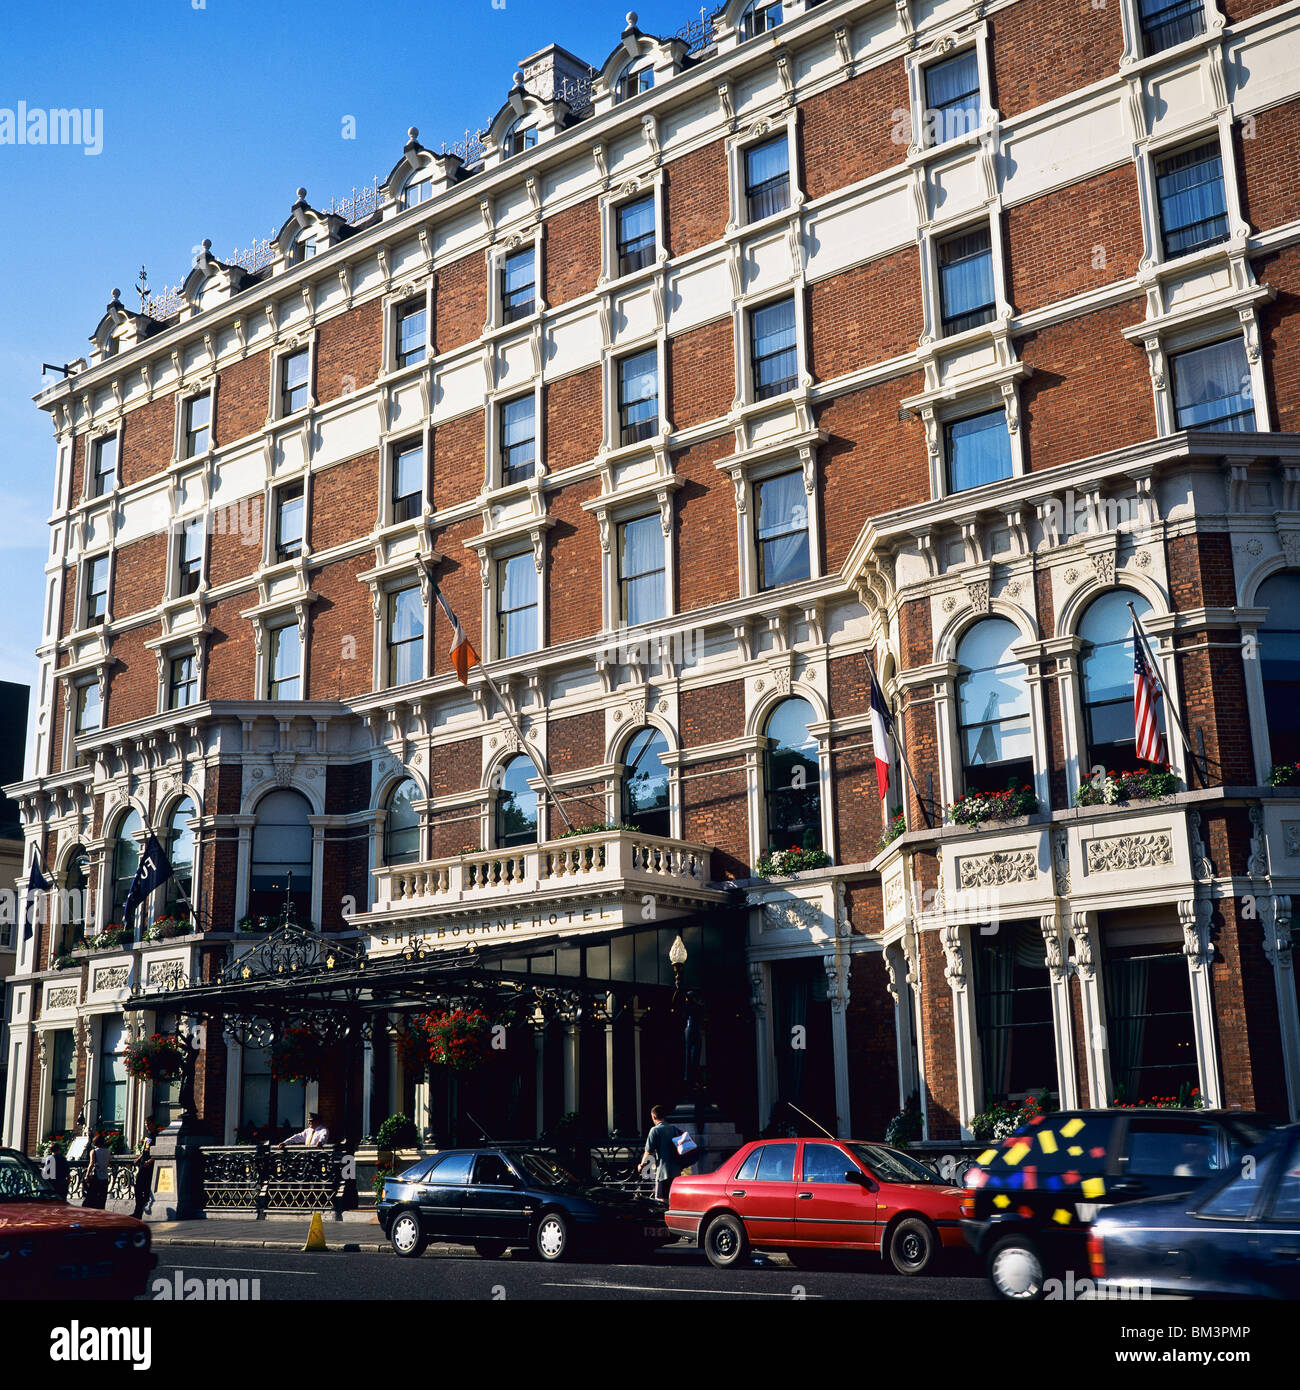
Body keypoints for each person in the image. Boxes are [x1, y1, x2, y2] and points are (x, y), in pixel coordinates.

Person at [640, 1103, 684, 1204]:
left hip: (663, 1173)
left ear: (654, 1116)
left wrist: (642, 1165)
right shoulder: (674, 1129)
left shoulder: (654, 1130)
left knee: (662, 1201)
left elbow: (648, 1151)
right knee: (673, 1201)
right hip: (676, 1172)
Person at [132, 1125, 156, 1220]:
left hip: (148, 1166)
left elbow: (158, 1152)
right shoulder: (148, 1136)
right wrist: (138, 1158)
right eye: (145, 1125)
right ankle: (137, 1211)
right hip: (143, 1164)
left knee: (145, 1189)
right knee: (138, 1188)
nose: (147, 1127)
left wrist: (150, 1161)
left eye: (148, 1124)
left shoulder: (156, 1136)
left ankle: (139, 1212)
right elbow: (145, 1150)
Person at [83, 1134, 110, 1210]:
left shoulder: (94, 1151)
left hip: (96, 1177)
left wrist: (87, 1174)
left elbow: (91, 1163)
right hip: (105, 1176)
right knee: (102, 1198)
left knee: (92, 1197)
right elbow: (107, 1164)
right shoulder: (108, 1151)